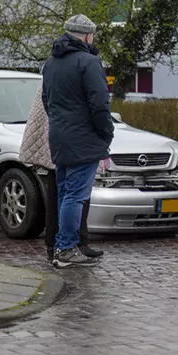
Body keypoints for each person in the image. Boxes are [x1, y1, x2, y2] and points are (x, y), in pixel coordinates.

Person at [42, 14, 114, 268]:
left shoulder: (50, 63)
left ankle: (62, 246)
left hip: (59, 137)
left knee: (64, 193)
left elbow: (46, 101)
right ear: (86, 36)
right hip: (84, 138)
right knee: (75, 195)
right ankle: (66, 248)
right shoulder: (89, 62)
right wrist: (106, 133)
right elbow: (100, 104)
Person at [18, 83, 104, 262]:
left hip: (62, 140)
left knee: (73, 196)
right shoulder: (63, 69)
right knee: (66, 196)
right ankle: (60, 244)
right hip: (65, 143)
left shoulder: (58, 68)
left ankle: (75, 243)